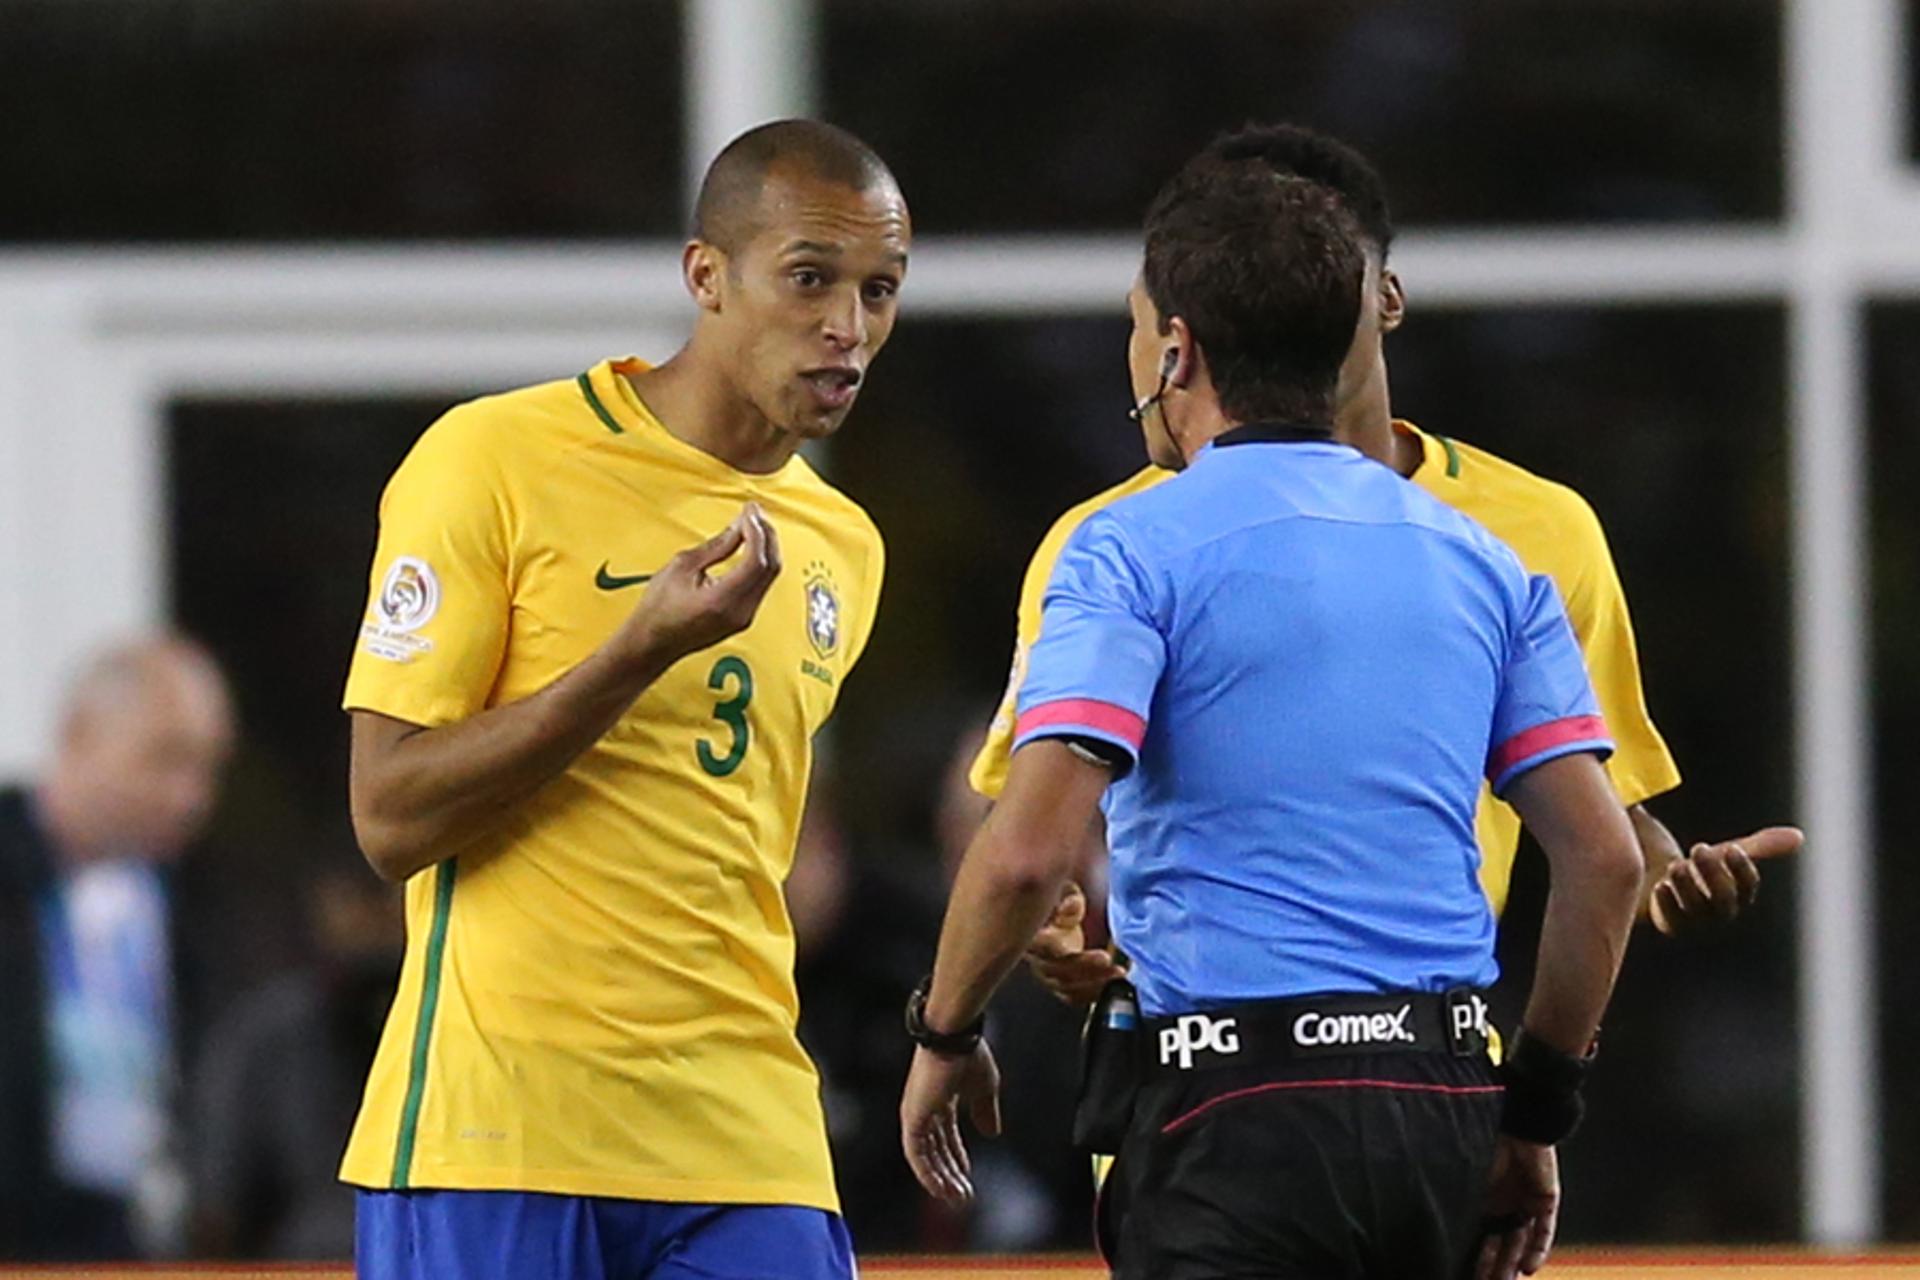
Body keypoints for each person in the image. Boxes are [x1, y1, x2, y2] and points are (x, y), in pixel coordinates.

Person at [898, 160, 1646, 1279]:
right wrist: (1533, 1113)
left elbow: (1028, 852)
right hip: (1435, 1101)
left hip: (1234, 1110)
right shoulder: (1486, 561)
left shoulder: (1130, 549)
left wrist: (945, 1031)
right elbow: (1604, 859)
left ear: (1176, 352)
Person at [970, 124, 1801, 1002]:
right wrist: (1054, 929)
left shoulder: (1541, 531)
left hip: (1425, 1055)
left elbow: (1607, 822)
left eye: (1324, 267)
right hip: (1199, 1066)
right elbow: (1037, 828)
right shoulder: (1106, 542)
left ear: (1388, 296)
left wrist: (1663, 888)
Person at [339, 119, 906, 1280]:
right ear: (707, 275)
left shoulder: (844, 546)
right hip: (504, 1131)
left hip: (749, 1139)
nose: (849, 326)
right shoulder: (492, 458)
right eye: (811, 277)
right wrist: (633, 650)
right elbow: (390, 817)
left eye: (880, 290)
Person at [0, 635, 237, 1261]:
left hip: (122, 1242)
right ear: (79, 736)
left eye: (207, 769)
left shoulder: (190, 910)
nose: (192, 798)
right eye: (165, 759)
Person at [189, 867, 403, 1260]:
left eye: (388, 900)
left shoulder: (454, 1028)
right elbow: (219, 1205)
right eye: (355, 900)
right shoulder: (268, 1037)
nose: (372, 919)